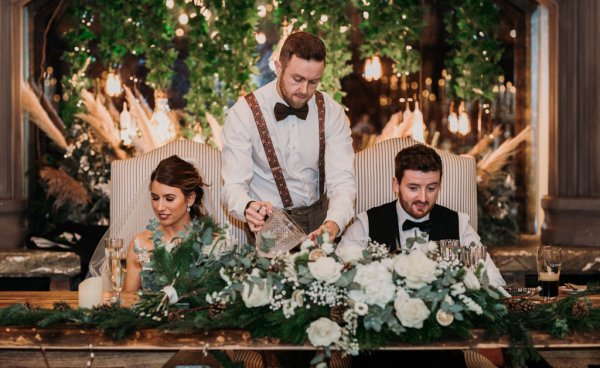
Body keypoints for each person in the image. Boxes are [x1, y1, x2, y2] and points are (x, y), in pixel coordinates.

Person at [221, 31, 355, 242]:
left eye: (313, 82)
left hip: (322, 222)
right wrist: (248, 206)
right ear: (278, 68)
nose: (304, 90)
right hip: (272, 228)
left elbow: (342, 180)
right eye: (297, 79)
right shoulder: (244, 113)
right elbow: (233, 186)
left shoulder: (331, 111)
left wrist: (334, 223)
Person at [337, 143, 506, 287]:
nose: (423, 198)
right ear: (396, 185)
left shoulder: (458, 223)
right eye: (413, 188)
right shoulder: (366, 223)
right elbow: (339, 276)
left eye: (431, 188)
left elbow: (493, 280)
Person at [122, 155, 206, 292]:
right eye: (155, 198)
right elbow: (126, 302)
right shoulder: (140, 244)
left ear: (190, 198)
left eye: (169, 199)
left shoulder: (211, 244)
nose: (160, 207)